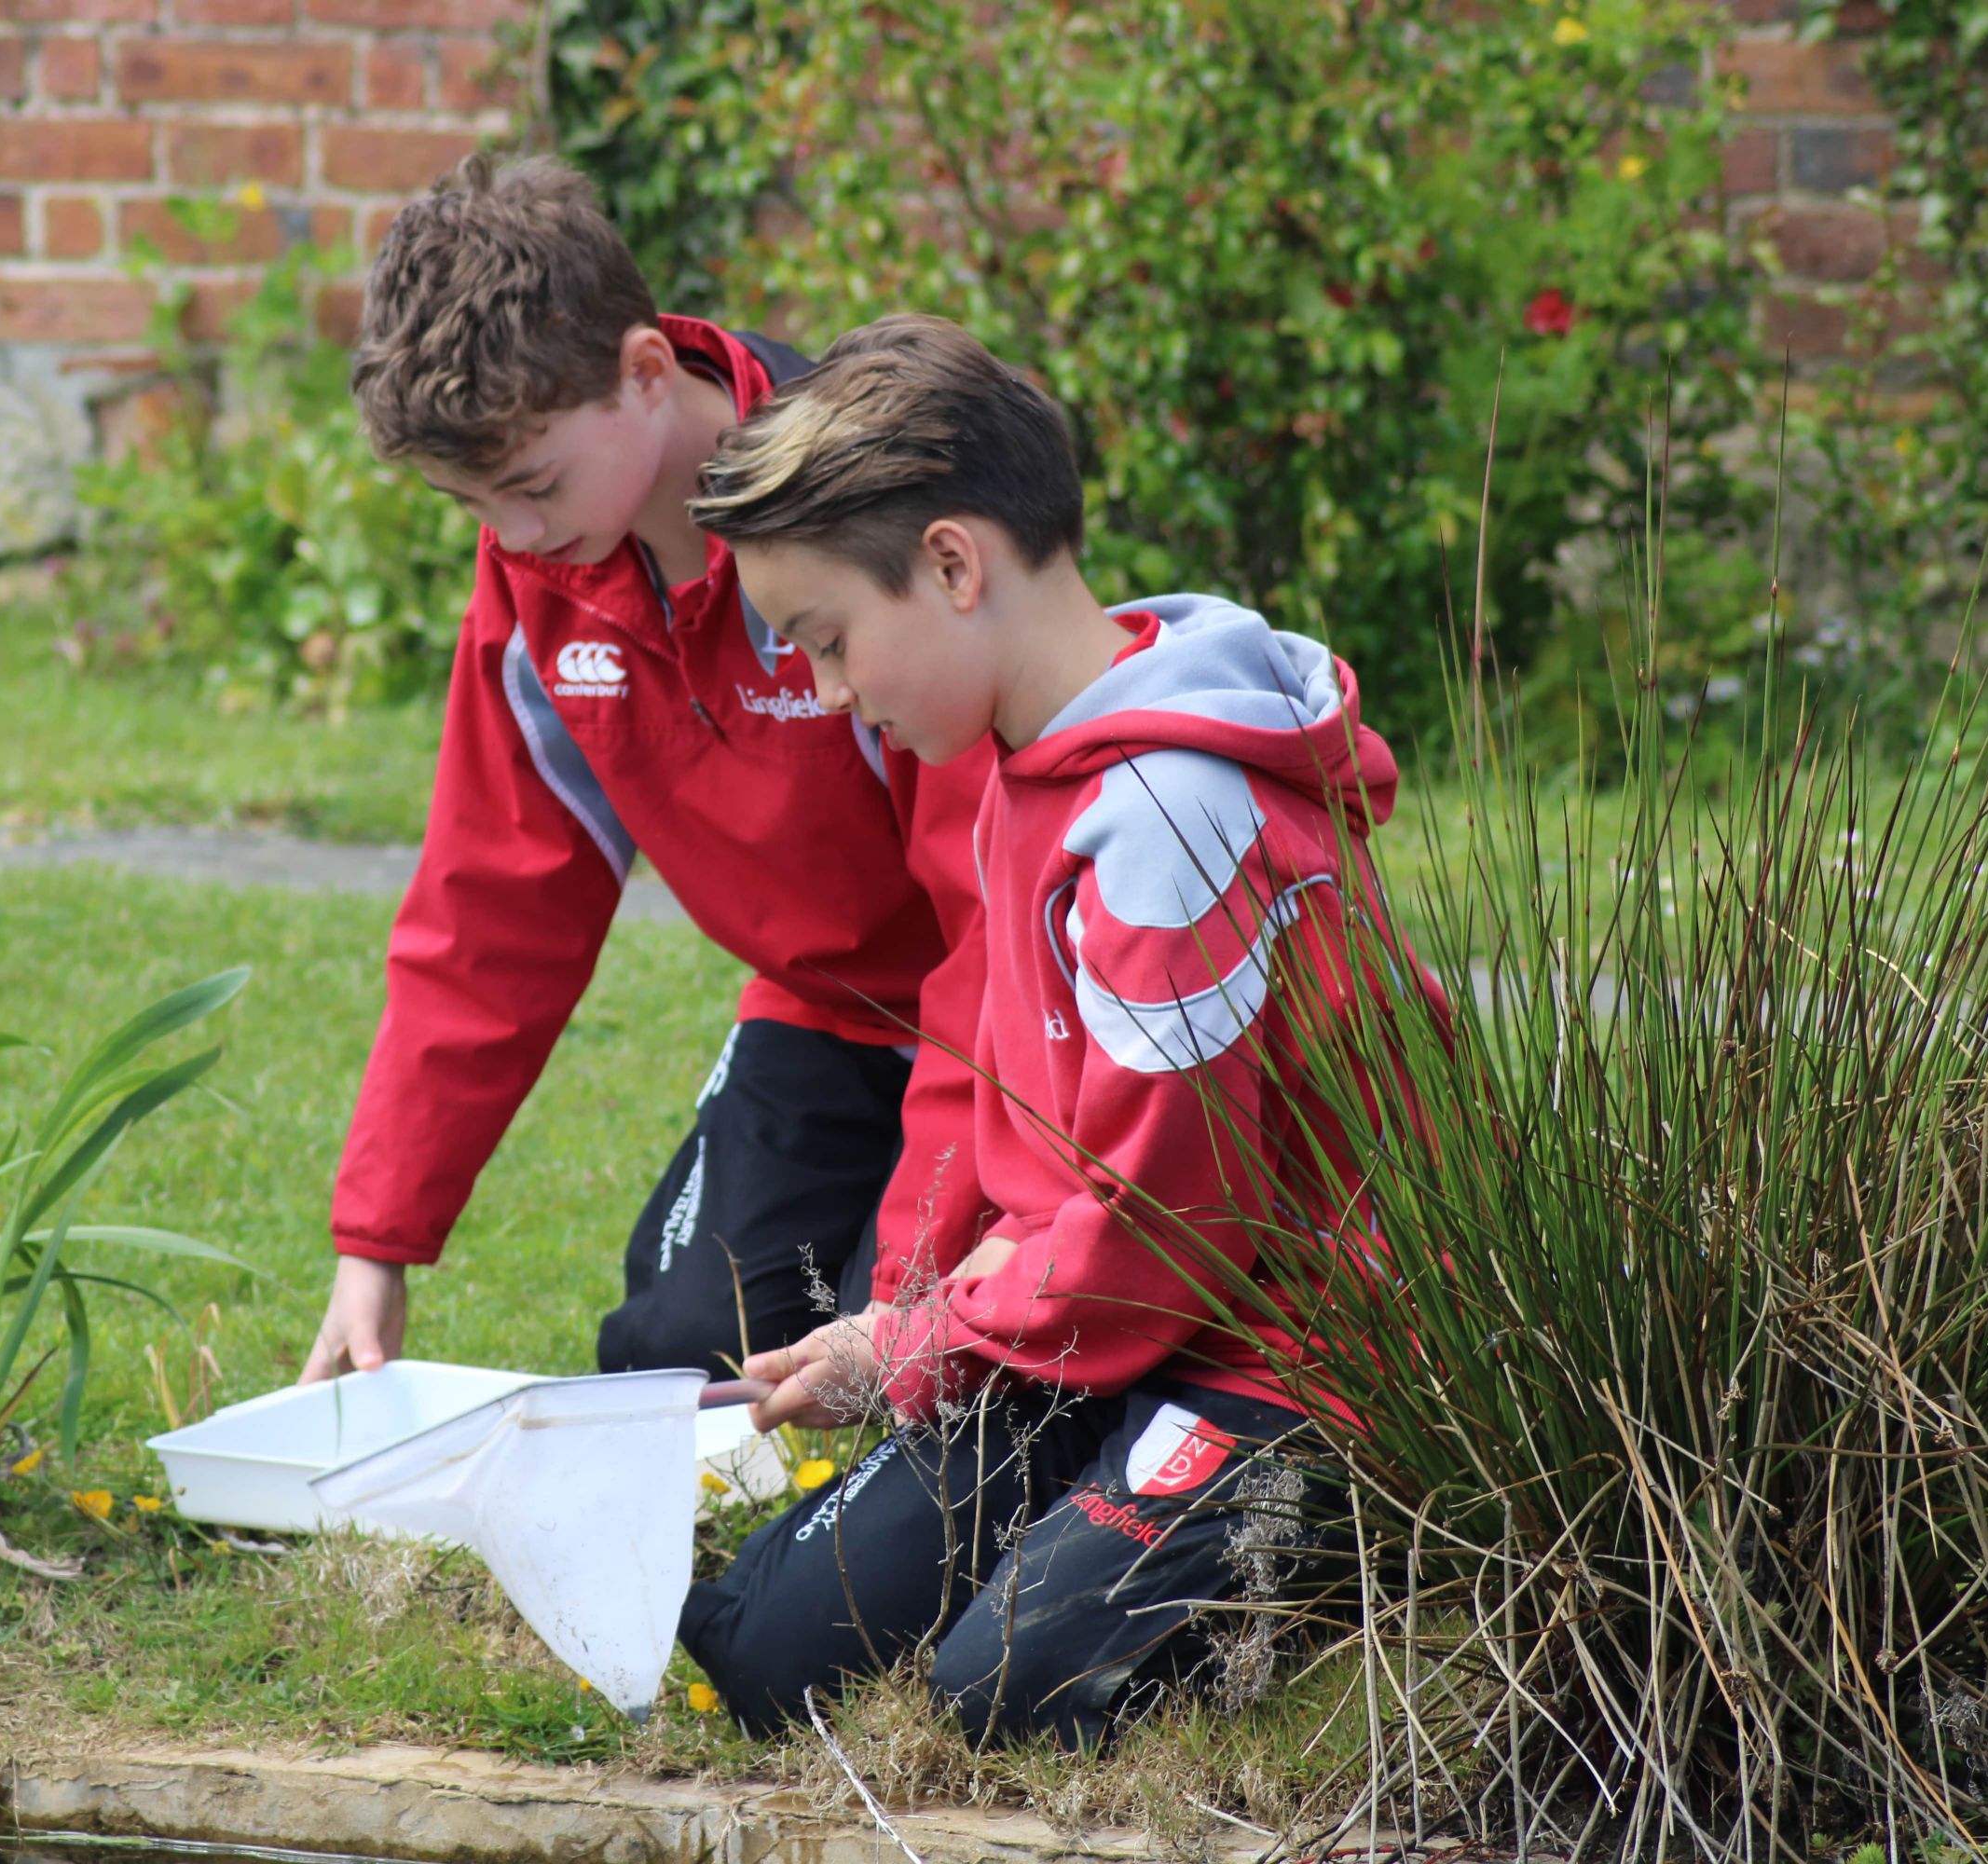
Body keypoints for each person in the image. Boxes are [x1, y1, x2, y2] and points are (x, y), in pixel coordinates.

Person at [676, 316, 1435, 1747]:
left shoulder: (1164, 815)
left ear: (955, 565)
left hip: (1292, 1356)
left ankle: (1375, 1534)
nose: (831, 695)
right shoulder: (1017, 761)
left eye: (830, 642)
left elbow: (1170, 1229)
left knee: (1009, 1686)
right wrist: (910, 1320)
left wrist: (917, 1348)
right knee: (766, 1652)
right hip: (1107, 1331)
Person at [298, 157, 994, 1386]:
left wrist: (900, 1296)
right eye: (475, 507)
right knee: (676, 1365)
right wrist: (377, 1244)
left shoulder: (862, 505)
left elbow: (996, 897)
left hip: (1000, 1024)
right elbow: (494, 899)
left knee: (909, 1363)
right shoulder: (543, 570)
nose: (511, 538)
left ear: (644, 373)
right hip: (822, 1010)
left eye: (530, 485)